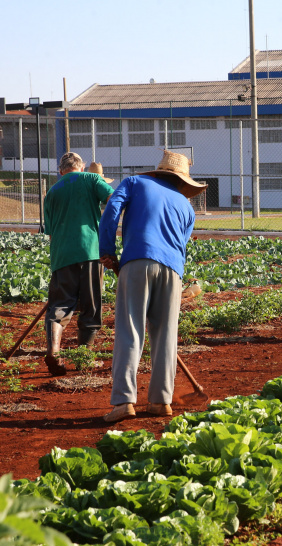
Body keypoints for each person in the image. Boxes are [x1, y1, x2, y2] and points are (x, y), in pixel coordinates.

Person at [98, 150, 204, 423]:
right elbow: (180, 243)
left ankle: (123, 401)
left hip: (137, 263)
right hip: (173, 271)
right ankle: (161, 401)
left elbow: (112, 209)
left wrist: (107, 250)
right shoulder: (186, 206)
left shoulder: (134, 182)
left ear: (158, 172)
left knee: (130, 330)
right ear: (182, 182)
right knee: (166, 335)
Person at [42, 152, 115, 375]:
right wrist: (107, 231)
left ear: (61, 171)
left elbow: (51, 233)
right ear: (81, 168)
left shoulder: (52, 192)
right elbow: (114, 199)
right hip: (90, 252)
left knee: (60, 306)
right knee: (91, 306)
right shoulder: (92, 179)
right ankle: (84, 358)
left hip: (62, 255)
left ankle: (54, 351)